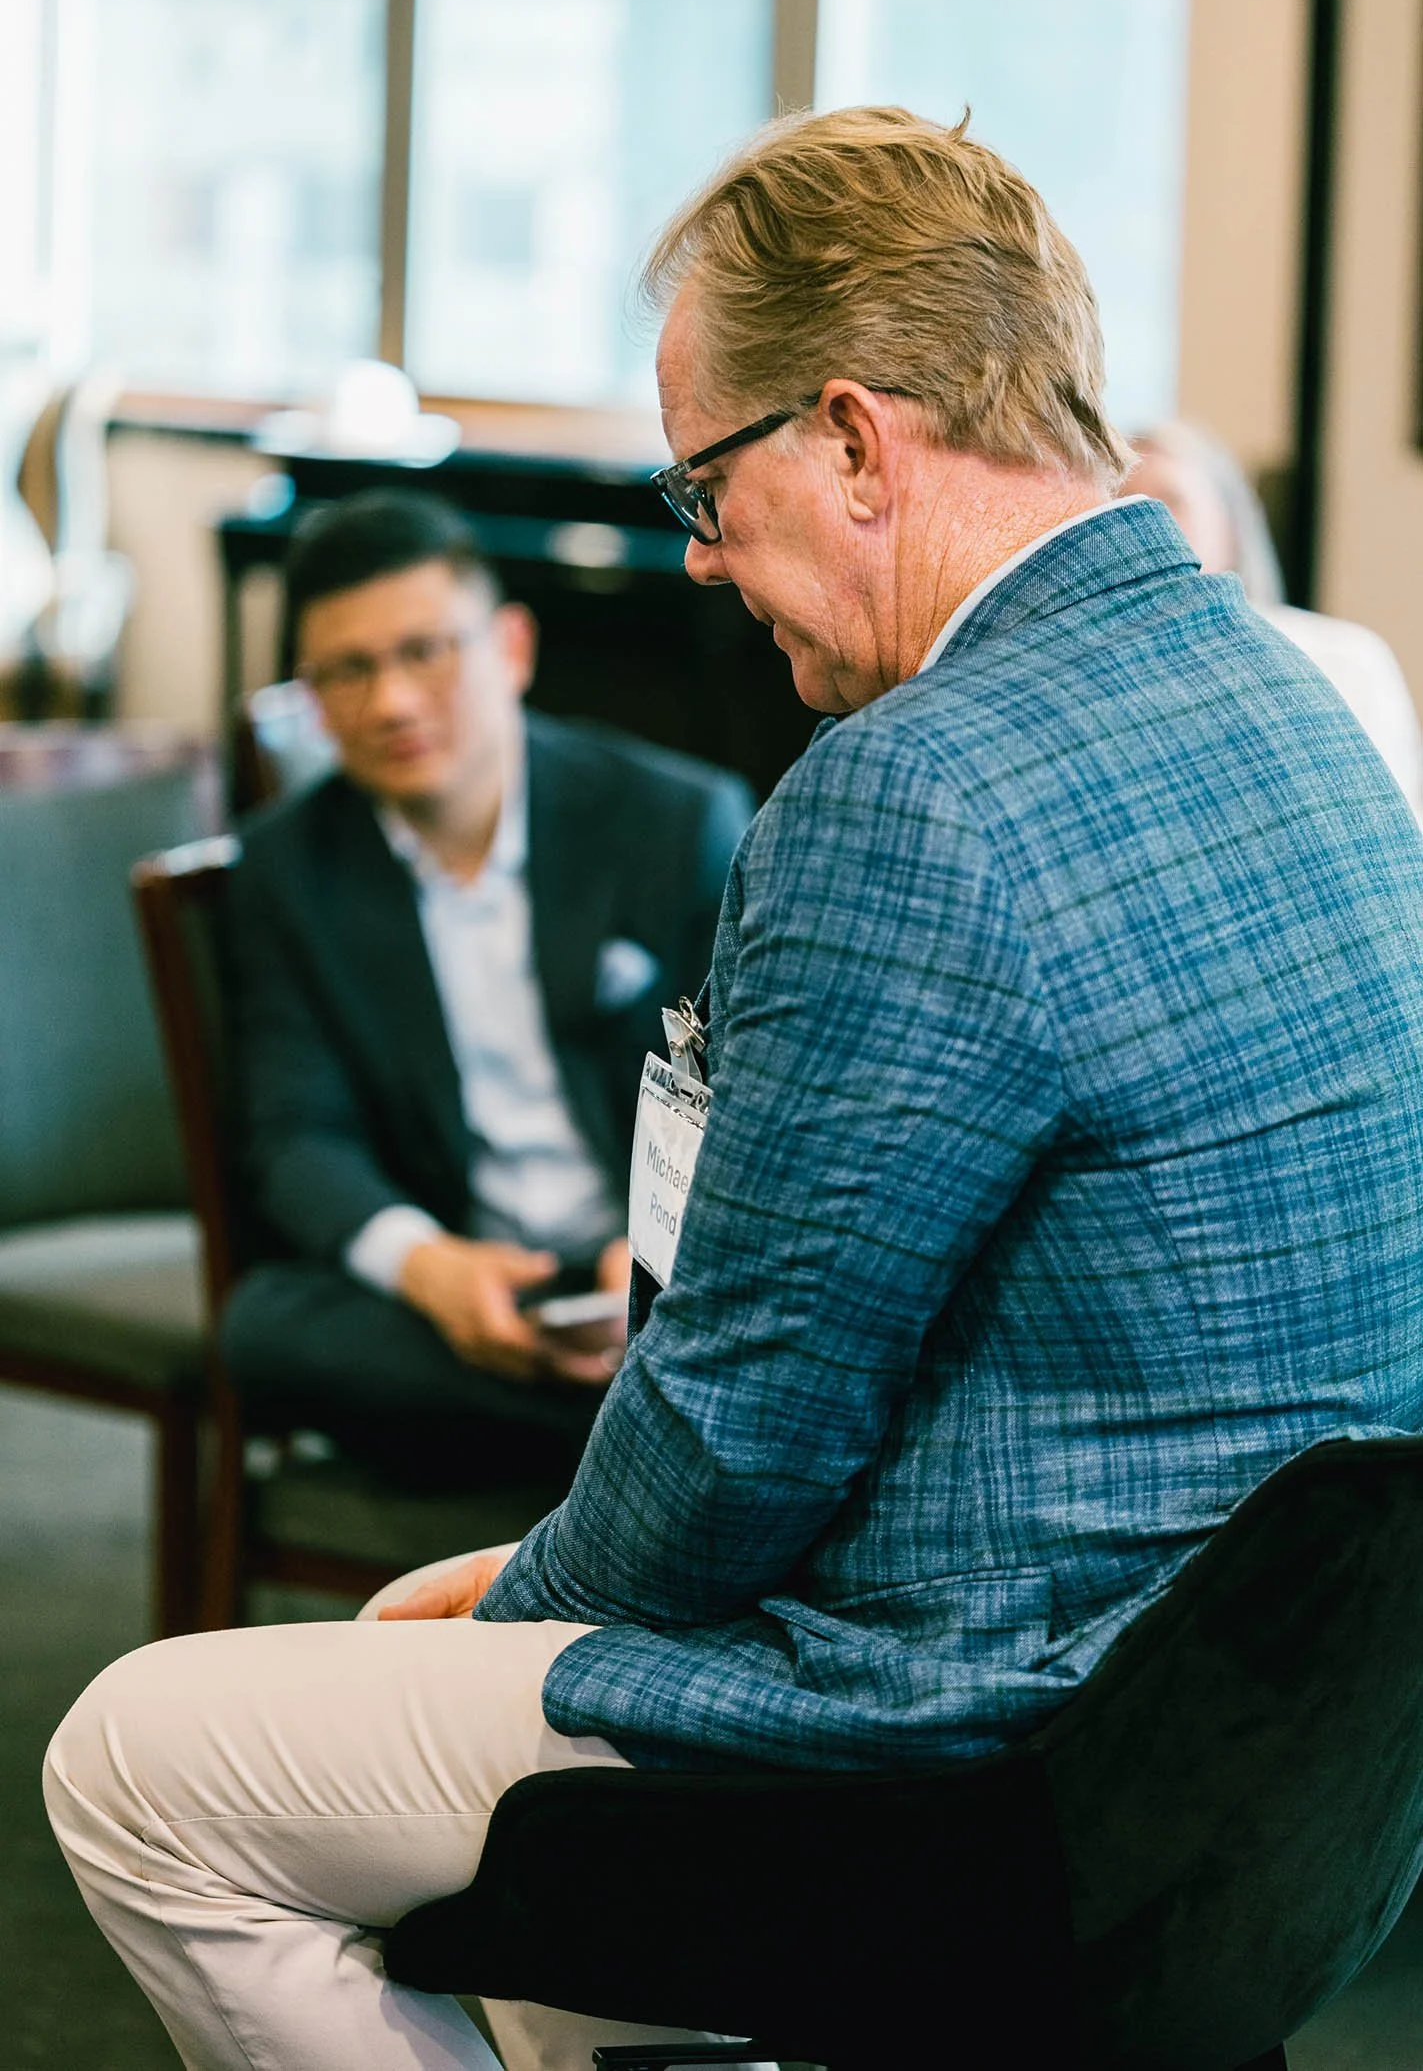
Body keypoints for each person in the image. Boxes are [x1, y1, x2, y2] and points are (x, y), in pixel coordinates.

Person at [45, 107, 1423, 2071]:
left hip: (982, 1749)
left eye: (706, 481)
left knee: (140, 1764)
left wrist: (519, 1600)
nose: (696, 559)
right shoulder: (1296, 690)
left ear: (856, 438)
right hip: (1287, 1761)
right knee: (494, 1857)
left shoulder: (913, 790)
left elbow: (732, 1445)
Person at [220, 488, 754, 1486]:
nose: (392, 702)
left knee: (759, 1330)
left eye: (425, 651)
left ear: (511, 646)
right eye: (349, 669)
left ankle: (627, 1444)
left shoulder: (676, 821)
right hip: (466, 1275)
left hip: (650, 1269)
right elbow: (296, 1135)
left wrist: (648, 1251)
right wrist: (430, 1271)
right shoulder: (285, 870)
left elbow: (748, 1092)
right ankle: (647, 1463)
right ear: (313, 696)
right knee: (267, 1329)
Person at [1123, 419, 1423, 820]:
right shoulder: (1104, 681)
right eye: (1125, 507)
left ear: (1230, 523)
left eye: (1170, 502)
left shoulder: (1345, 660)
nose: (1147, 532)